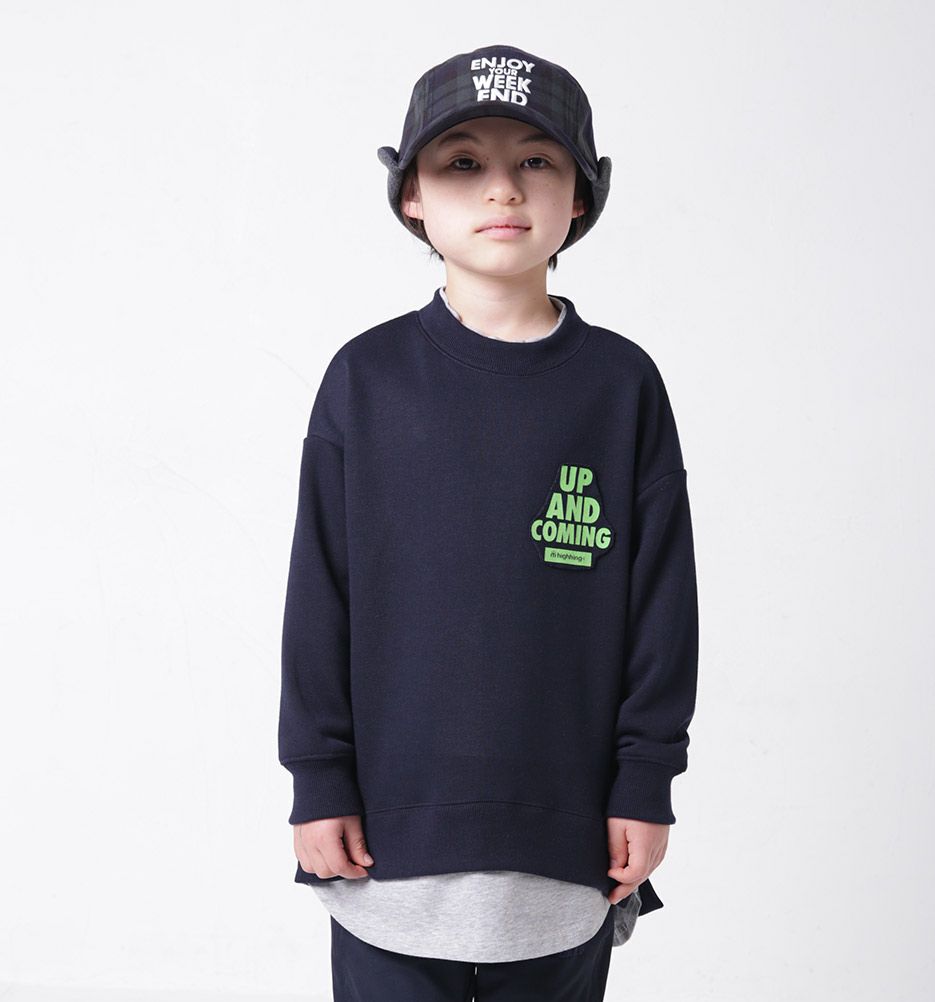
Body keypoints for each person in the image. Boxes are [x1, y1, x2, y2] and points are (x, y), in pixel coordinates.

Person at [278, 42, 700, 1001]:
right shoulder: (365, 381)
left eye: (536, 161)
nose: (502, 189)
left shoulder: (620, 387)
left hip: (566, 840)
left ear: (581, 196)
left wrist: (647, 780)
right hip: (386, 844)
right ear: (411, 196)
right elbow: (320, 593)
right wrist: (318, 776)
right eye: (463, 162)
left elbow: (662, 605)